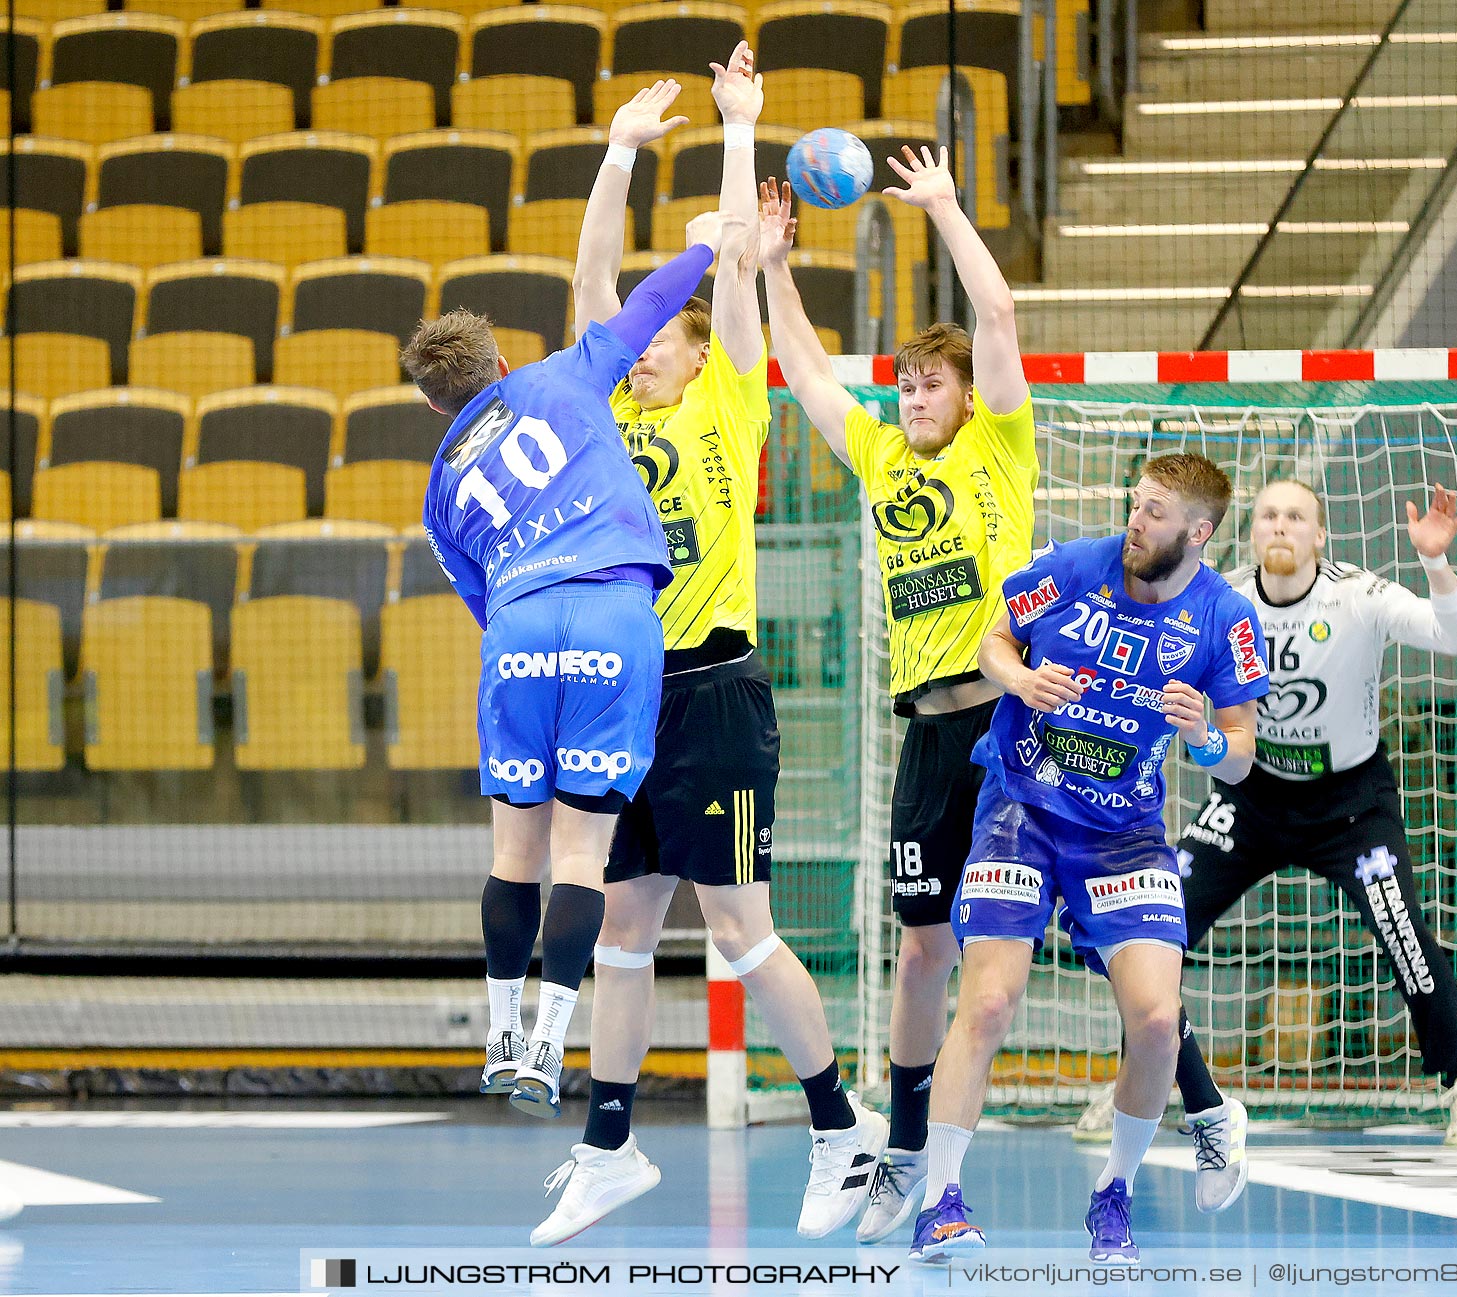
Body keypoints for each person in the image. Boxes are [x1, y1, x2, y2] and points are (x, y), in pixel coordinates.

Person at [529, 52, 883, 1251]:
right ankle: (609, 1143)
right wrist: (619, 153)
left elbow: (733, 264)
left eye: (658, 341)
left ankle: (841, 1129)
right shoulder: (605, 410)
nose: (639, 350)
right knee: (624, 934)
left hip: (715, 694)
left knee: (740, 929)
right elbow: (589, 284)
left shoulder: (724, 398)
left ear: (692, 351)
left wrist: (741, 129)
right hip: (622, 701)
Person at [759, 150, 1038, 1245]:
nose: (917, 396)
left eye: (933, 383)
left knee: (1048, 959)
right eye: (908, 383)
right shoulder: (881, 458)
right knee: (923, 950)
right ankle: (907, 1151)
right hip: (925, 736)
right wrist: (780, 267)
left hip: (1013, 727)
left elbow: (1000, 311)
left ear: (967, 397)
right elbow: (807, 371)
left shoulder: (999, 450)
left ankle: (1197, 1103)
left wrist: (945, 210)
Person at [405, 187, 730, 1124]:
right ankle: (552, 1044)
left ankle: (501, 1030)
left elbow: (477, 595)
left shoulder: (439, 486)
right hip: (614, 613)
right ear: (502, 363)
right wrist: (703, 247)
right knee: (585, 852)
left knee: (519, 848)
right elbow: (643, 310)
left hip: (518, 627)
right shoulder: (558, 377)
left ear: (437, 404)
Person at [909, 454, 1268, 1264]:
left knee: (1153, 1018)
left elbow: (1241, 751)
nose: (1135, 520)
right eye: (1135, 504)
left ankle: (1113, 1194)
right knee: (991, 1002)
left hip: (1126, 834)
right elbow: (992, 640)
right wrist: (1023, 678)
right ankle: (940, 1201)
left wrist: (1207, 735)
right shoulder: (1070, 568)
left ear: (1197, 533)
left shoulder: (1224, 619)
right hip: (1023, 807)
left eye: (1153, 512)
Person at [1077, 479, 1457, 1148]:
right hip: (1251, 800)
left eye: (1296, 516)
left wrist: (1435, 561)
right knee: (1153, 925)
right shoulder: (1220, 598)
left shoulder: (1358, 596)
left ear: (1319, 534)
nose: (1281, 526)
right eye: (1269, 515)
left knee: (1403, 927)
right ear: (1252, 532)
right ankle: (1141, 1081)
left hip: (1351, 806)